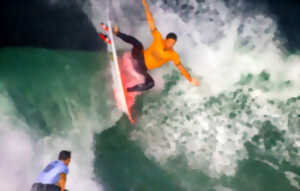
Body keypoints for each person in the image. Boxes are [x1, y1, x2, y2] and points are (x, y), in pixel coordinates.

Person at [107, 0, 200, 92]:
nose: (170, 45)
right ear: (165, 39)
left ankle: (127, 90)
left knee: (151, 84)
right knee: (138, 44)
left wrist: (190, 79)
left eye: (173, 44)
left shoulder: (173, 55)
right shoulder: (158, 38)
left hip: (142, 69)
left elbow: (181, 68)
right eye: (169, 42)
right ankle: (117, 33)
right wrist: (146, 6)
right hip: (138, 57)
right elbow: (151, 22)